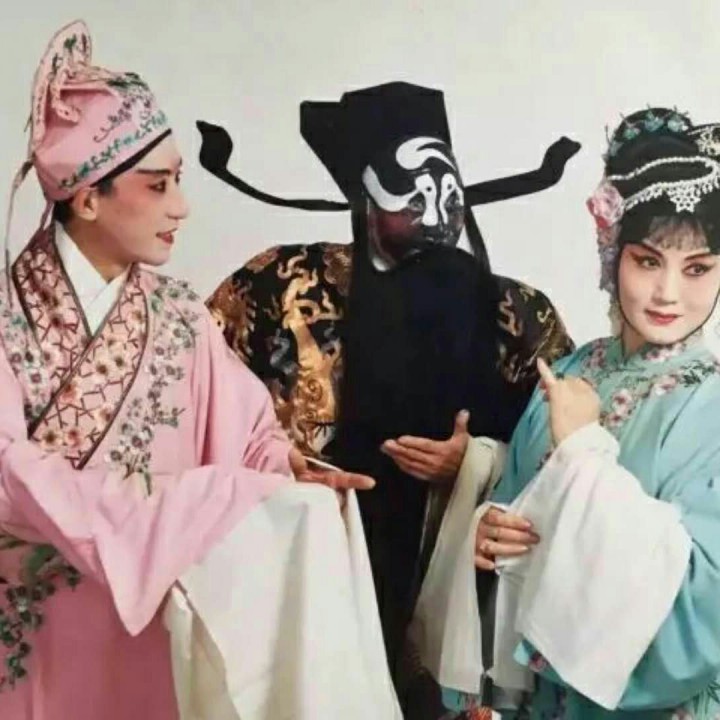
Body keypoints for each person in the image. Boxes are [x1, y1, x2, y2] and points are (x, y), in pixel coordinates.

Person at [0, 20, 371, 719]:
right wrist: (192, 502)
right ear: (87, 197)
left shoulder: (179, 318)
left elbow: (247, 434)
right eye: (158, 185)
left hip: (152, 635)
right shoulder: (5, 318)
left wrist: (284, 475)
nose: (181, 207)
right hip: (32, 631)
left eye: (180, 181)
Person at [200, 81, 577, 715]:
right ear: (365, 198)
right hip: (306, 565)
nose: (435, 210)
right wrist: (273, 467)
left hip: (449, 587)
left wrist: (477, 462)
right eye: (410, 192)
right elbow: (195, 404)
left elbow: (565, 455)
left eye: (445, 188)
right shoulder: (279, 285)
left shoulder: (516, 311)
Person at [457, 107, 720, 719]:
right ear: (612, 255)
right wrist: (489, 530)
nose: (668, 293)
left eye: (698, 268)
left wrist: (583, 451)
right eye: (647, 261)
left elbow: (703, 600)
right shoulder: (573, 371)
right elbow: (520, 501)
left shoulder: (713, 404)